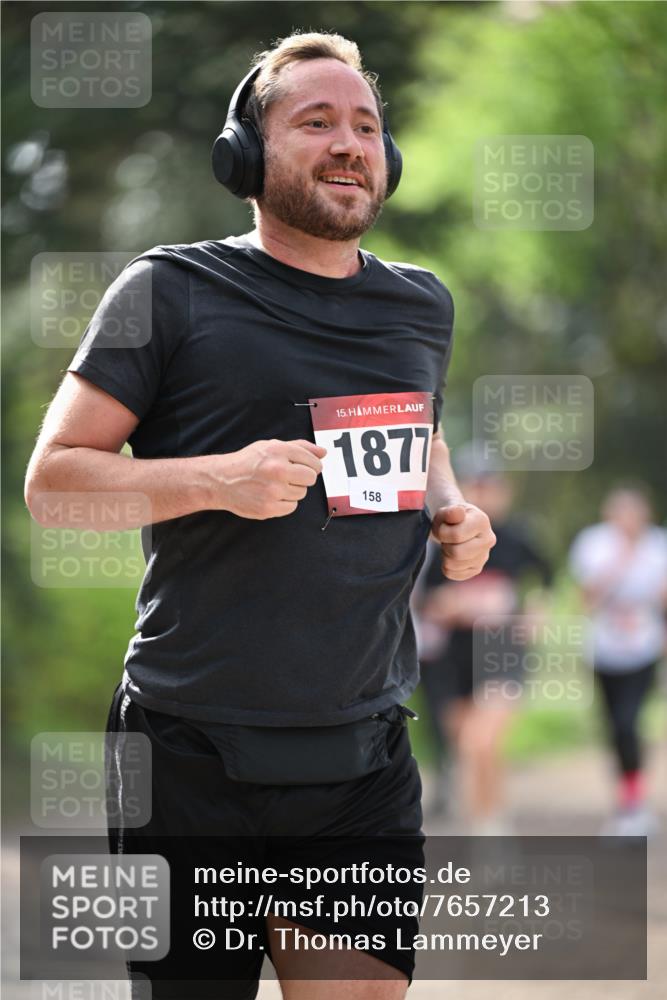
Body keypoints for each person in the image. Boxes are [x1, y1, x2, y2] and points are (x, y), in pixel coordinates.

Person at [24, 32, 495, 1000]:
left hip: (362, 745)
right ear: (246, 154)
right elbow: (55, 483)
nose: (348, 143)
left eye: (365, 125)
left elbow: (419, 435)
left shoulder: (419, 304)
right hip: (189, 750)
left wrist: (451, 507)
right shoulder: (169, 289)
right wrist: (216, 480)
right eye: (314, 121)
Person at [414, 445, 552, 831]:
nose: (483, 492)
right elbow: (421, 599)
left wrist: (539, 609)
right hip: (452, 657)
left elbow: (546, 578)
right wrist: (447, 604)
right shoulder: (439, 539)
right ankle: (492, 827)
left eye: (490, 485)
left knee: (480, 742)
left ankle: (488, 835)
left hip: (501, 650)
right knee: (473, 751)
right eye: (475, 484)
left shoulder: (519, 536)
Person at [569, 484, 667, 837]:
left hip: (644, 648)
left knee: (629, 723)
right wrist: (623, 558)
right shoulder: (593, 544)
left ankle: (634, 805)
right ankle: (626, 798)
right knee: (614, 727)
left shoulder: (659, 545)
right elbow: (586, 598)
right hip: (605, 650)